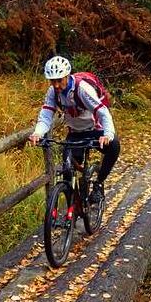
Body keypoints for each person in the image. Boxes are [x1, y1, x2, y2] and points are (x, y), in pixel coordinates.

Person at [29, 56, 120, 203]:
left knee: (114, 146)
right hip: (76, 132)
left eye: (60, 80)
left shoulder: (82, 89)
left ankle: (98, 184)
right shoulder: (52, 92)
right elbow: (46, 115)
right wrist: (38, 133)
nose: (56, 85)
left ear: (67, 76)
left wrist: (108, 134)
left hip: (95, 130)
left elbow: (102, 112)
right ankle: (72, 209)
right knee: (67, 168)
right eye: (53, 81)